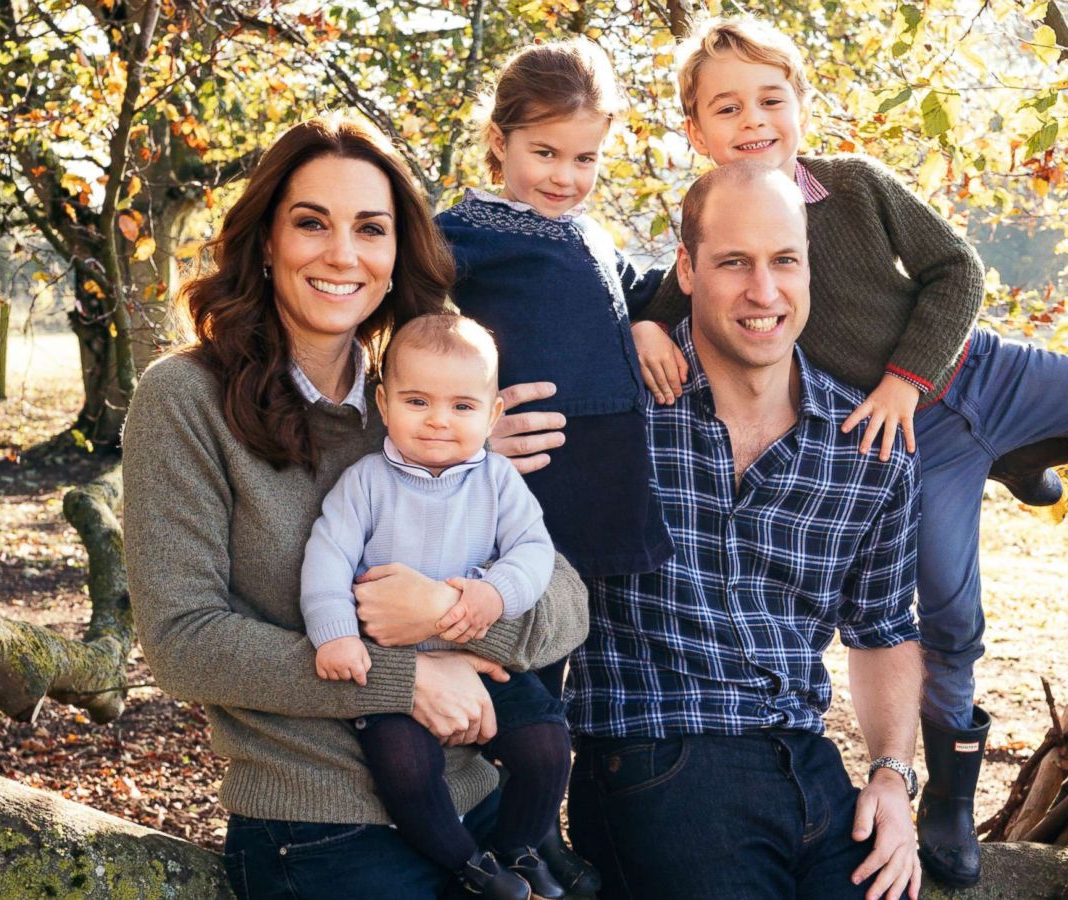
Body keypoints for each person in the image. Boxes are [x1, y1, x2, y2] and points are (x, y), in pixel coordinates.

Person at [630, 18, 1068, 888]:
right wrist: (640, 326)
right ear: (696, 132)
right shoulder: (715, 226)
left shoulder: (855, 186)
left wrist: (903, 378)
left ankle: (1024, 452)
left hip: (976, 373)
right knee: (948, 617)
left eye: (772, 98)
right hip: (912, 447)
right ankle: (950, 803)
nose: (754, 120)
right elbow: (672, 293)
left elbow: (956, 270)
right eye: (726, 107)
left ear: (803, 104)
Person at [120, 112, 588, 900]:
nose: (343, 254)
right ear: (266, 241)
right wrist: (402, 680)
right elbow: (183, 642)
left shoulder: (422, 403)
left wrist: (445, 612)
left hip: (484, 804)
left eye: (370, 229)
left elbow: (566, 599)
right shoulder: (184, 400)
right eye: (312, 223)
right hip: (322, 831)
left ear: (397, 250)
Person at [565, 162, 926, 900]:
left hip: (810, 767)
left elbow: (884, 629)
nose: (764, 292)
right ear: (688, 270)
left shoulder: (865, 448)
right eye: (734, 263)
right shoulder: (613, 415)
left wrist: (892, 775)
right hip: (656, 755)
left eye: (784, 261)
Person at [436, 38, 673, 892]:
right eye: (544, 153)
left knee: (563, 659)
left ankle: (540, 825)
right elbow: (408, 333)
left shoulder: (589, 230)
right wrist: (464, 425)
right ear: (499, 141)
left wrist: (646, 320)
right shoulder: (462, 233)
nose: (566, 176)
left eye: (585, 158)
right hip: (526, 484)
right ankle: (511, 831)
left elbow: (635, 286)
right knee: (516, 661)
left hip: (600, 484)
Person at [298, 314, 569, 900]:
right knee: (405, 767)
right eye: (417, 400)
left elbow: (533, 550)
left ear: (494, 413)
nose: (439, 420)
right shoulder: (366, 482)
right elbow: (327, 557)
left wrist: (495, 594)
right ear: (384, 401)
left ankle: (519, 846)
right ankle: (470, 866)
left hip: (476, 660)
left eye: (462, 407)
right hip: (392, 672)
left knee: (547, 745)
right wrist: (335, 634)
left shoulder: (498, 481)